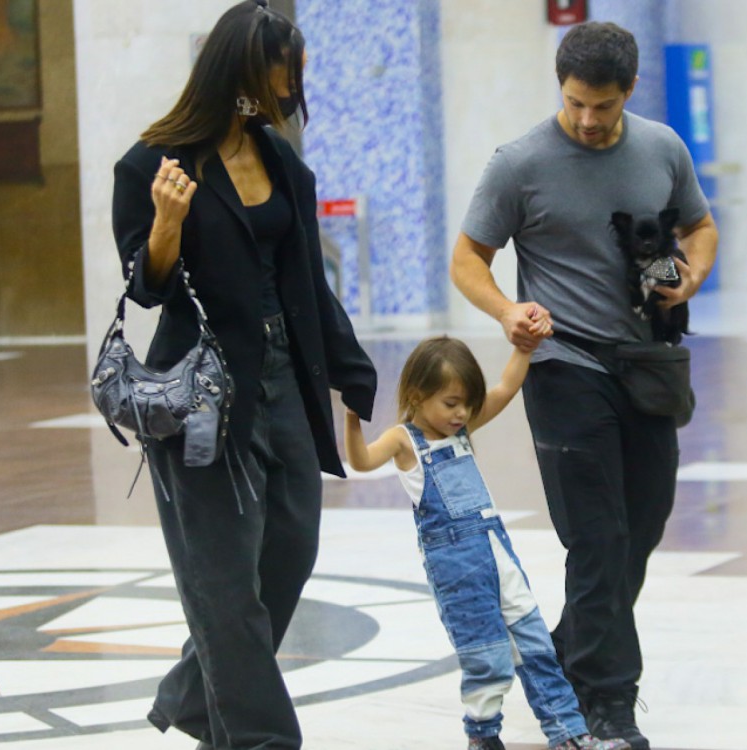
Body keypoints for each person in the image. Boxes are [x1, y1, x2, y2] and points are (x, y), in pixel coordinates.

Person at [110, 2, 377, 748]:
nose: (292, 89)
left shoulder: (282, 160)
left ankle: (195, 700)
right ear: (243, 72)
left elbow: (307, 279)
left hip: (284, 376)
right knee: (224, 582)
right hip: (199, 393)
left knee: (290, 550)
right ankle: (263, 739)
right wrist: (166, 224)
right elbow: (146, 290)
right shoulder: (151, 164)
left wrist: (351, 370)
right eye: (284, 74)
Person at [450, 22, 718, 750]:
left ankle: (563, 655)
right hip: (563, 365)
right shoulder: (520, 163)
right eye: (575, 103)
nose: (588, 119)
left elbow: (700, 227)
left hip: (645, 366)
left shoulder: (662, 148)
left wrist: (690, 274)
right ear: (560, 89)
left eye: (603, 105)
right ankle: (608, 703)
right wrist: (508, 311)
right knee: (597, 538)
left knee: (642, 526)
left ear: (629, 90)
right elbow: (468, 257)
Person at [343, 335, 629, 750]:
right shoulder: (404, 440)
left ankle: (569, 734)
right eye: (451, 403)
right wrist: (352, 418)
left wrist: (525, 349)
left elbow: (506, 388)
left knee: (537, 645)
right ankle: (483, 736)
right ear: (417, 395)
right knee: (487, 655)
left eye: (467, 404)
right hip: (456, 567)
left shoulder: (462, 429)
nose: (461, 413)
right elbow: (362, 461)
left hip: (498, 554)